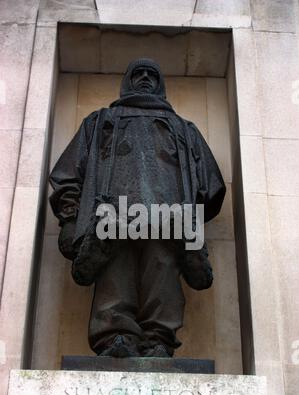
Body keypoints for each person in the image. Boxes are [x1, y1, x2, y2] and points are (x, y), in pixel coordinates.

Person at [49, 58, 226, 358]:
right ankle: (116, 335)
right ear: (127, 80)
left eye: (151, 74)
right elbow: (68, 175)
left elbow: (211, 185)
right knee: (115, 273)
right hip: (111, 219)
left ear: (161, 84)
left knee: (162, 271)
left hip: (169, 222)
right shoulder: (100, 121)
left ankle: (159, 339)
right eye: (138, 73)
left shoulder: (184, 130)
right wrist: (69, 218)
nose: (144, 78)